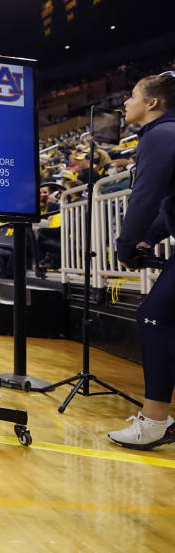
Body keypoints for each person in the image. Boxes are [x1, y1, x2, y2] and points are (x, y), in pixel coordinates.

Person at [109, 71, 175, 450]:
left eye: (132, 95)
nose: (125, 102)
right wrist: (150, 237)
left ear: (152, 103)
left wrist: (126, 244)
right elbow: (169, 209)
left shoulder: (161, 134)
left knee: (154, 315)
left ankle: (154, 421)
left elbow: (145, 199)